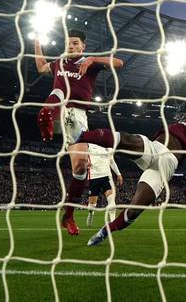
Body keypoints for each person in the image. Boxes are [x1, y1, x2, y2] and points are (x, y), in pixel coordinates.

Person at [74, 103, 186, 246]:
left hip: (167, 164)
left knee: (134, 210)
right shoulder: (177, 124)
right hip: (154, 149)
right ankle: (82, 136)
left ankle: (105, 231)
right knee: (130, 139)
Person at [34, 27, 123, 235]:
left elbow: (119, 63)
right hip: (59, 108)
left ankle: (69, 216)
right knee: (57, 91)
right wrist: (37, 44)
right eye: (68, 43)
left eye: (75, 43)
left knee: (81, 168)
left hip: (79, 117)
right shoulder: (58, 63)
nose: (71, 46)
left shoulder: (89, 65)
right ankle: (47, 119)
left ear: (83, 46)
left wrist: (93, 59)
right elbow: (40, 68)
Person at [85, 143, 123, 226]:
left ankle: (113, 222)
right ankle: (91, 214)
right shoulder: (89, 145)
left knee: (111, 200)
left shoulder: (109, 148)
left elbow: (112, 162)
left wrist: (118, 174)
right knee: (92, 205)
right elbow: (82, 158)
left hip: (106, 176)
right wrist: (85, 164)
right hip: (94, 177)